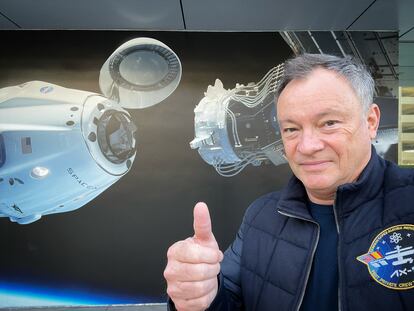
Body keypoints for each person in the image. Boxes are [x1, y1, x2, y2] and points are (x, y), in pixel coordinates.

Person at [164, 53, 414, 311]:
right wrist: (201, 297)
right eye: (291, 129)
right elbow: (227, 302)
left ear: (371, 122)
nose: (307, 146)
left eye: (329, 123)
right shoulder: (260, 217)